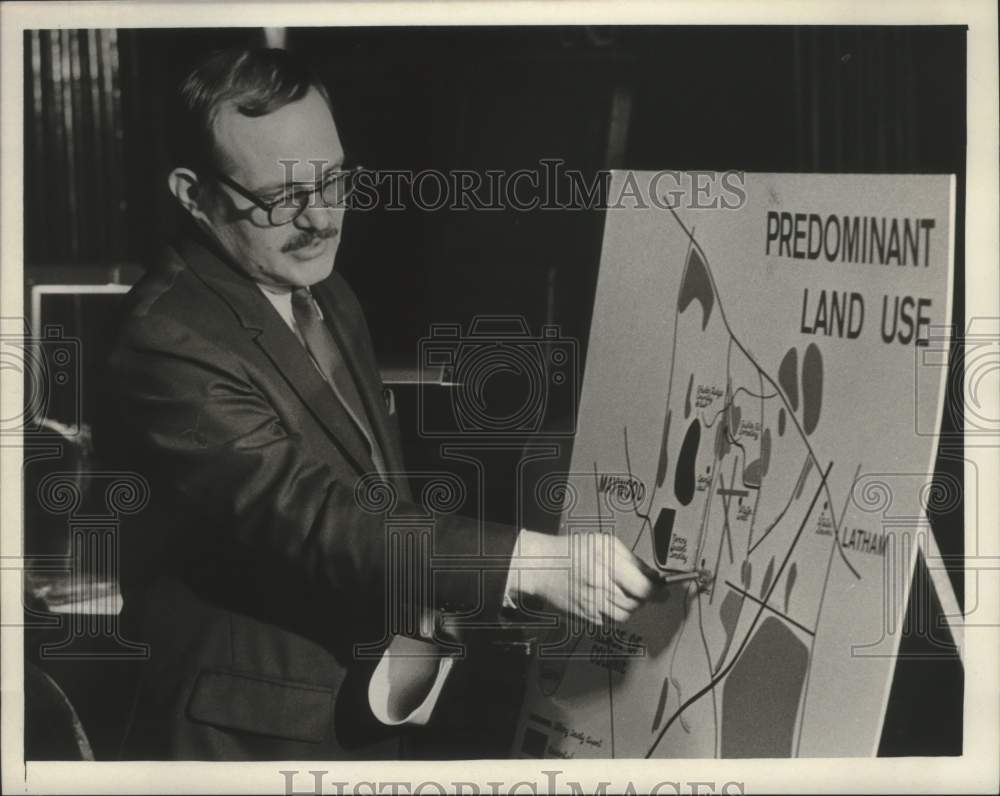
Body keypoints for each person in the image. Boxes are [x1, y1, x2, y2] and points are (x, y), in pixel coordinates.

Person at [100, 47, 657, 761]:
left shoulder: (323, 291)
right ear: (191, 192)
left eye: (332, 181)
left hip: (357, 704)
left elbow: (371, 487)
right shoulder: (165, 339)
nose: (321, 219)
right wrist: (535, 565)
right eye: (280, 198)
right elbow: (311, 516)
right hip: (241, 738)